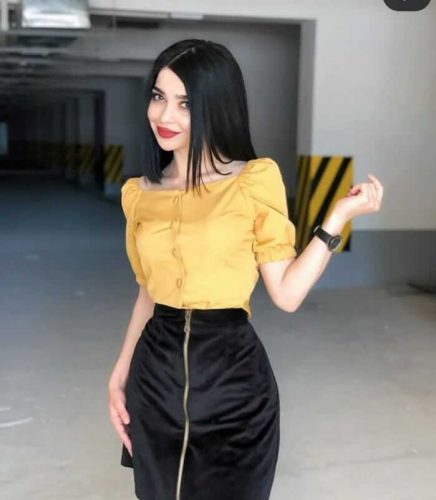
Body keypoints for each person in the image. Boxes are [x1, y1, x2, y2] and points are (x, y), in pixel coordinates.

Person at [107, 39, 384, 500]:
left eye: (185, 103)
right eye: (158, 97)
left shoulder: (253, 180)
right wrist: (119, 375)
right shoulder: (138, 194)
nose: (165, 115)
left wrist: (336, 219)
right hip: (154, 382)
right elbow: (147, 294)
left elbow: (287, 294)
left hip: (234, 386)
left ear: (216, 106)